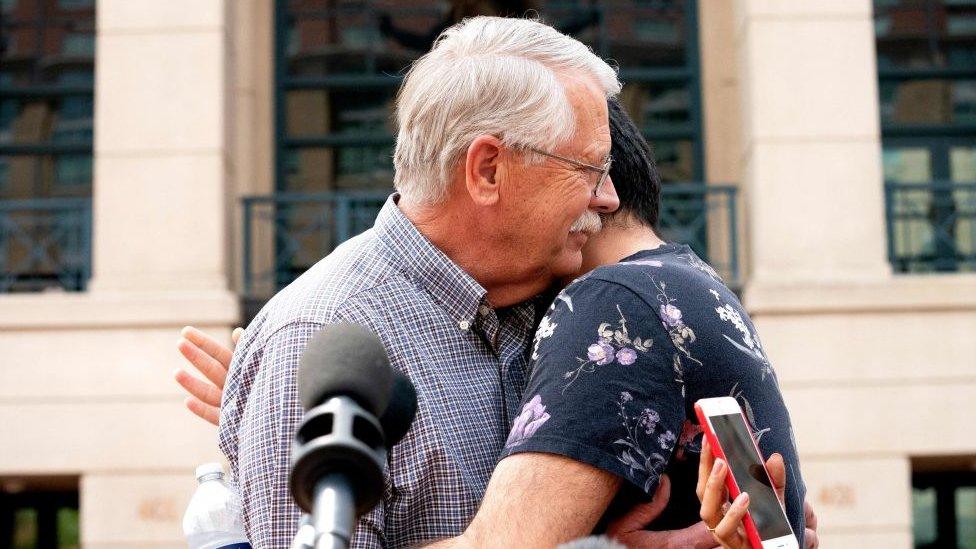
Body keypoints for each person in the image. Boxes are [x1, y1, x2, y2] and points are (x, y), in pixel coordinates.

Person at [178, 94, 819, 547]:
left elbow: (508, 546)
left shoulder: (613, 306)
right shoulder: (695, 290)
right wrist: (293, 395)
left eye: (596, 171)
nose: (604, 195)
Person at [217, 16, 623, 548]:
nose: (609, 197)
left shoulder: (555, 300)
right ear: (488, 170)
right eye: (588, 169)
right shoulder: (311, 336)